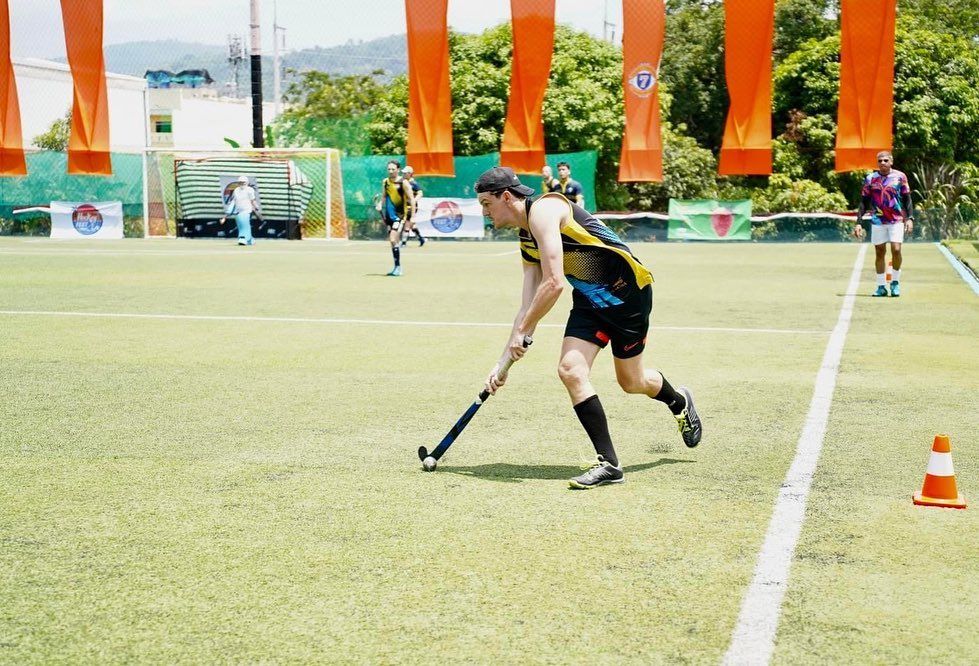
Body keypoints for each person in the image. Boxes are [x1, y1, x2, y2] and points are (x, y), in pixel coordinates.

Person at [474, 166, 702, 490]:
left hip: (628, 295)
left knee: (632, 381)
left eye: (486, 203)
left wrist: (525, 330)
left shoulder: (545, 211)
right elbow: (528, 303)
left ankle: (678, 402)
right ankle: (610, 464)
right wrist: (501, 364)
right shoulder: (526, 237)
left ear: (506, 197)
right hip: (590, 300)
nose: (484, 212)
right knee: (570, 370)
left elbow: (553, 284)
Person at [855, 151, 914, 297]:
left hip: (896, 219)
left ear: (891, 161)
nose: (882, 163)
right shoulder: (871, 178)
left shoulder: (900, 177)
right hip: (877, 220)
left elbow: (907, 199)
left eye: (885, 160)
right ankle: (881, 286)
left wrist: (910, 218)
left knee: (896, 249)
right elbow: (863, 201)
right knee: (880, 252)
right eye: (880, 161)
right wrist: (859, 222)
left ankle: (895, 282)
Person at [379, 160, 414, 276]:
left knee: (393, 239)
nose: (390, 171)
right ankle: (396, 267)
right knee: (393, 242)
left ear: (398, 169)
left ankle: (398, 268)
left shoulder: (403, 183)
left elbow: (412, 200)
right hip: (389, 215)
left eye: (393, 169)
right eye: (389, 169)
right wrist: (380, 204)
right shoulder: (385, 182)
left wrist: (412, 217)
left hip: (399, 216)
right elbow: (384, 196)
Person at [219, 175, 261, 246]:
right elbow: (233, 202)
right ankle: (250, 240)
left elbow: (252, 200)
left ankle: (243, 238)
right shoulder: (236, 190)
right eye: (240, 182)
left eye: (243, 182)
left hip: (247, 211)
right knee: (241, 226)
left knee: (245, 226)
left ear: (247, 183)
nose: (242, 184)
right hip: (238, 212)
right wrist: (226, 215)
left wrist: (256, 206)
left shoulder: (250, 190)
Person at [400, 165, 426, 247]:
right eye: (403, 173)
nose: (403, 174)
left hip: (411, 207)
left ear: (410, 174)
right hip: (404, 206)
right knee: (412, 225)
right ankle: (421, 239)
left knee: (407, 224)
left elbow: (420, 193)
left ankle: (404, 243)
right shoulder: (403, 182)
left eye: (405, 173)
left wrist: (413, 200)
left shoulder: (413, 183)